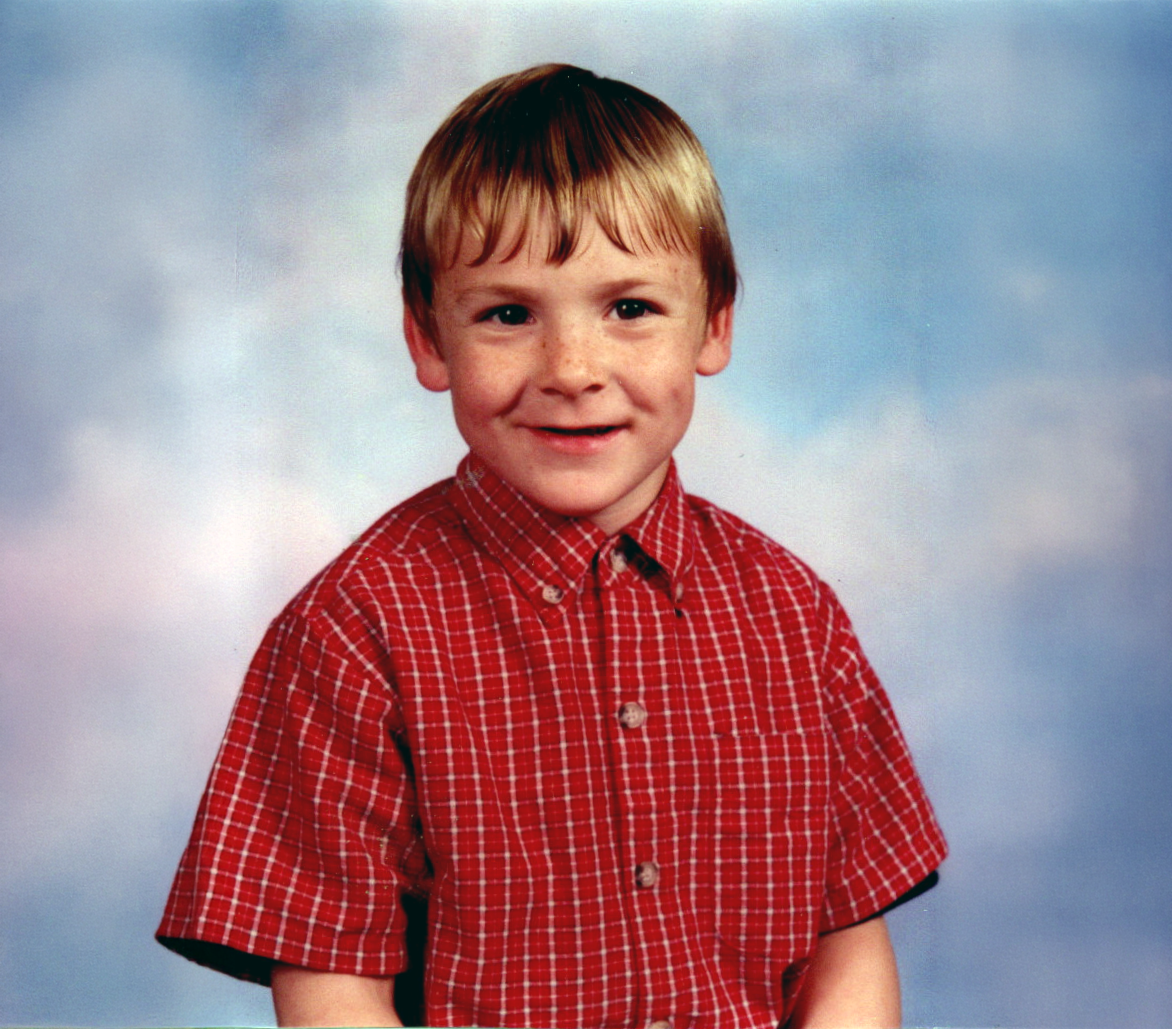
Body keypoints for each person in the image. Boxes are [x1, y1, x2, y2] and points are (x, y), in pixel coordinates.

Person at [157, 64, 947, 1029]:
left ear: (715, 323)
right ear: (428, 338)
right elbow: (330, 983)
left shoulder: (793, 613)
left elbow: (847, 939)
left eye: (630, 309)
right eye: (508, 314)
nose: (573, 371)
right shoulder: (354, 632)